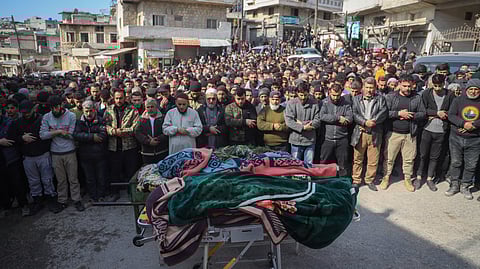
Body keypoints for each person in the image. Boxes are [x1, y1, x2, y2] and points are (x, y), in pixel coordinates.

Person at [8, 100, 63, 214]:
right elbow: (11, 138)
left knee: (47, 179)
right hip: (28, 156)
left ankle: (51, 199)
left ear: (34, 109)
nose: (26, 114)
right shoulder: (17, 123)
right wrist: (22, 138)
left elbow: (49, 133)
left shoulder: (42, 119)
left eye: (28, 112)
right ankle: (37, 201)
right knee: (33, 181)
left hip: (43, 153)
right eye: (23, 112)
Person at [381, 75, 426, 192]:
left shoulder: (417, 97)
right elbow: (384, 113)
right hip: (393, 133)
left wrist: (412, 115)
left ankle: (407, 178)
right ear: (399, 84)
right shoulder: (391, 97)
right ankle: (386, 177)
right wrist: (398, 114)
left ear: (413, 85)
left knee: (409, 159)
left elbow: (423, 113)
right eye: (404, 86)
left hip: (410, 133)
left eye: (409, 86)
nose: (407, 89)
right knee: (389, 158)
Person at [40, 95, 85, 212]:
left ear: (62, 105)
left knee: (73, 178)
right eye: (52, 108)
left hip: (70, 151)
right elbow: (42, 135)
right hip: (55, 152)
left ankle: (76, 199)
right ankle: (62, 200)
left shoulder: (71, 115)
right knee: (61, 180)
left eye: (57, 107)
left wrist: (53, 132)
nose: (55, 110)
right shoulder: (47, 117)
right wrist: (60, 131)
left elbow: (71, 135)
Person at [415, 74, 455, 191]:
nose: (437, 88)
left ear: (444, 84)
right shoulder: (427, 93)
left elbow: (452, 111)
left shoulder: (450, 95)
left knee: (435, 156)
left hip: (441, 131)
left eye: (440, 86)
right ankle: (418, 176)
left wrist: (444, 114)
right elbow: (423, 109)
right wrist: (437, 113)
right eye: (435, 86)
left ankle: (429, 178)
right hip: (427, 129)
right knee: (422, 155)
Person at [350, 78, 388, 191]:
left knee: (373, 160)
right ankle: (356, 180)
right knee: (357, 158)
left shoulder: (381, 99)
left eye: (371, 88)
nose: (369, 90)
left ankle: (369, 180)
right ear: (363, 88)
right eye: (367, 87)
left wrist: (373, 121)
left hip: (375, 133)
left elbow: (384, 112)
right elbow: (354, 113)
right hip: (360, 132)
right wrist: (364, 122)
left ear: (375, 88)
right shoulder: (356, 99)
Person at [445, 79, 480, 200]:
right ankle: (454, 184)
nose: (474, 91)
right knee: (456, 162)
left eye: (476, 89)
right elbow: (451, 115)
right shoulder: (458, 100)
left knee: (471, 165)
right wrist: (463, 124)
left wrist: (473, 126)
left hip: (475, 139)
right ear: (466, 90)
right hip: (456, 137)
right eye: (471, 89)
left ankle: (465, 186)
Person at [104, 89, 140, 201]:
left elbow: (135, 127)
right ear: (113, 98)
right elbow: (105, 125)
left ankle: (132, 193)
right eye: (117, 98)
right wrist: (114, 132)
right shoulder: (109, 110)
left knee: (131, 171)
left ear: (125, 98)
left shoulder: (133, 110)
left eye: (121, 98)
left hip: (129, 146)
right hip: (114, 146)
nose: (119, 100)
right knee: (114, 171)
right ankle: (115, 192)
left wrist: (122, 132)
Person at [73, 100, 108, 203]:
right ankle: (93, 196)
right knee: (89, 178)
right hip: (85, 156)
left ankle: (101, 195)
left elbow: (103, 135)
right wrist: (92, 137)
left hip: (100, 154)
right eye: (86, 111)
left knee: (101, 177)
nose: (89, 114)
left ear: (95, 110)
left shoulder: (101, 120)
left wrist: (87, 137)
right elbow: (76, 135)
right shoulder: (79, 122)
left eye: (91, 111)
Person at [319, 84, 353, 175]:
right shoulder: (324, 103)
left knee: (343, 164)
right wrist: (338, 118)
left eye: (338, 95)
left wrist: (340, 119)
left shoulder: (346, 104)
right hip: (327, 138)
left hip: (342, 138)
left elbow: (349, 119)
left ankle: (343, 182)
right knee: (324, 162)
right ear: (329, 92)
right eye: (333, 95)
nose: (335, 98)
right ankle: (323, 181)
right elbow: (322, 116)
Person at [284, 83, 321, 165]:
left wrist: (308, 125)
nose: (303, 98)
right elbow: (289, 121)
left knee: (308, 164)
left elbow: (317, 120)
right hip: (296, 139)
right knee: (295, 164)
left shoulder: (314, 104)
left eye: (305, 95)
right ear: (297, 93)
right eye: (301, 95)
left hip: (310, 140)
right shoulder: (291, 103)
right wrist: (303, 127)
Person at [135, 98, 169, 164]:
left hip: (162, 151)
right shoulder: (141, 119)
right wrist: (148, 141)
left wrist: (158, 139)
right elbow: (137, 132)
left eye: (152, 106)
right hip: (147, 153)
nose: (150, 109)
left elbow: (167, 131)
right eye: (148, 107)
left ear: (156, 107)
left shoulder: (163, 118)